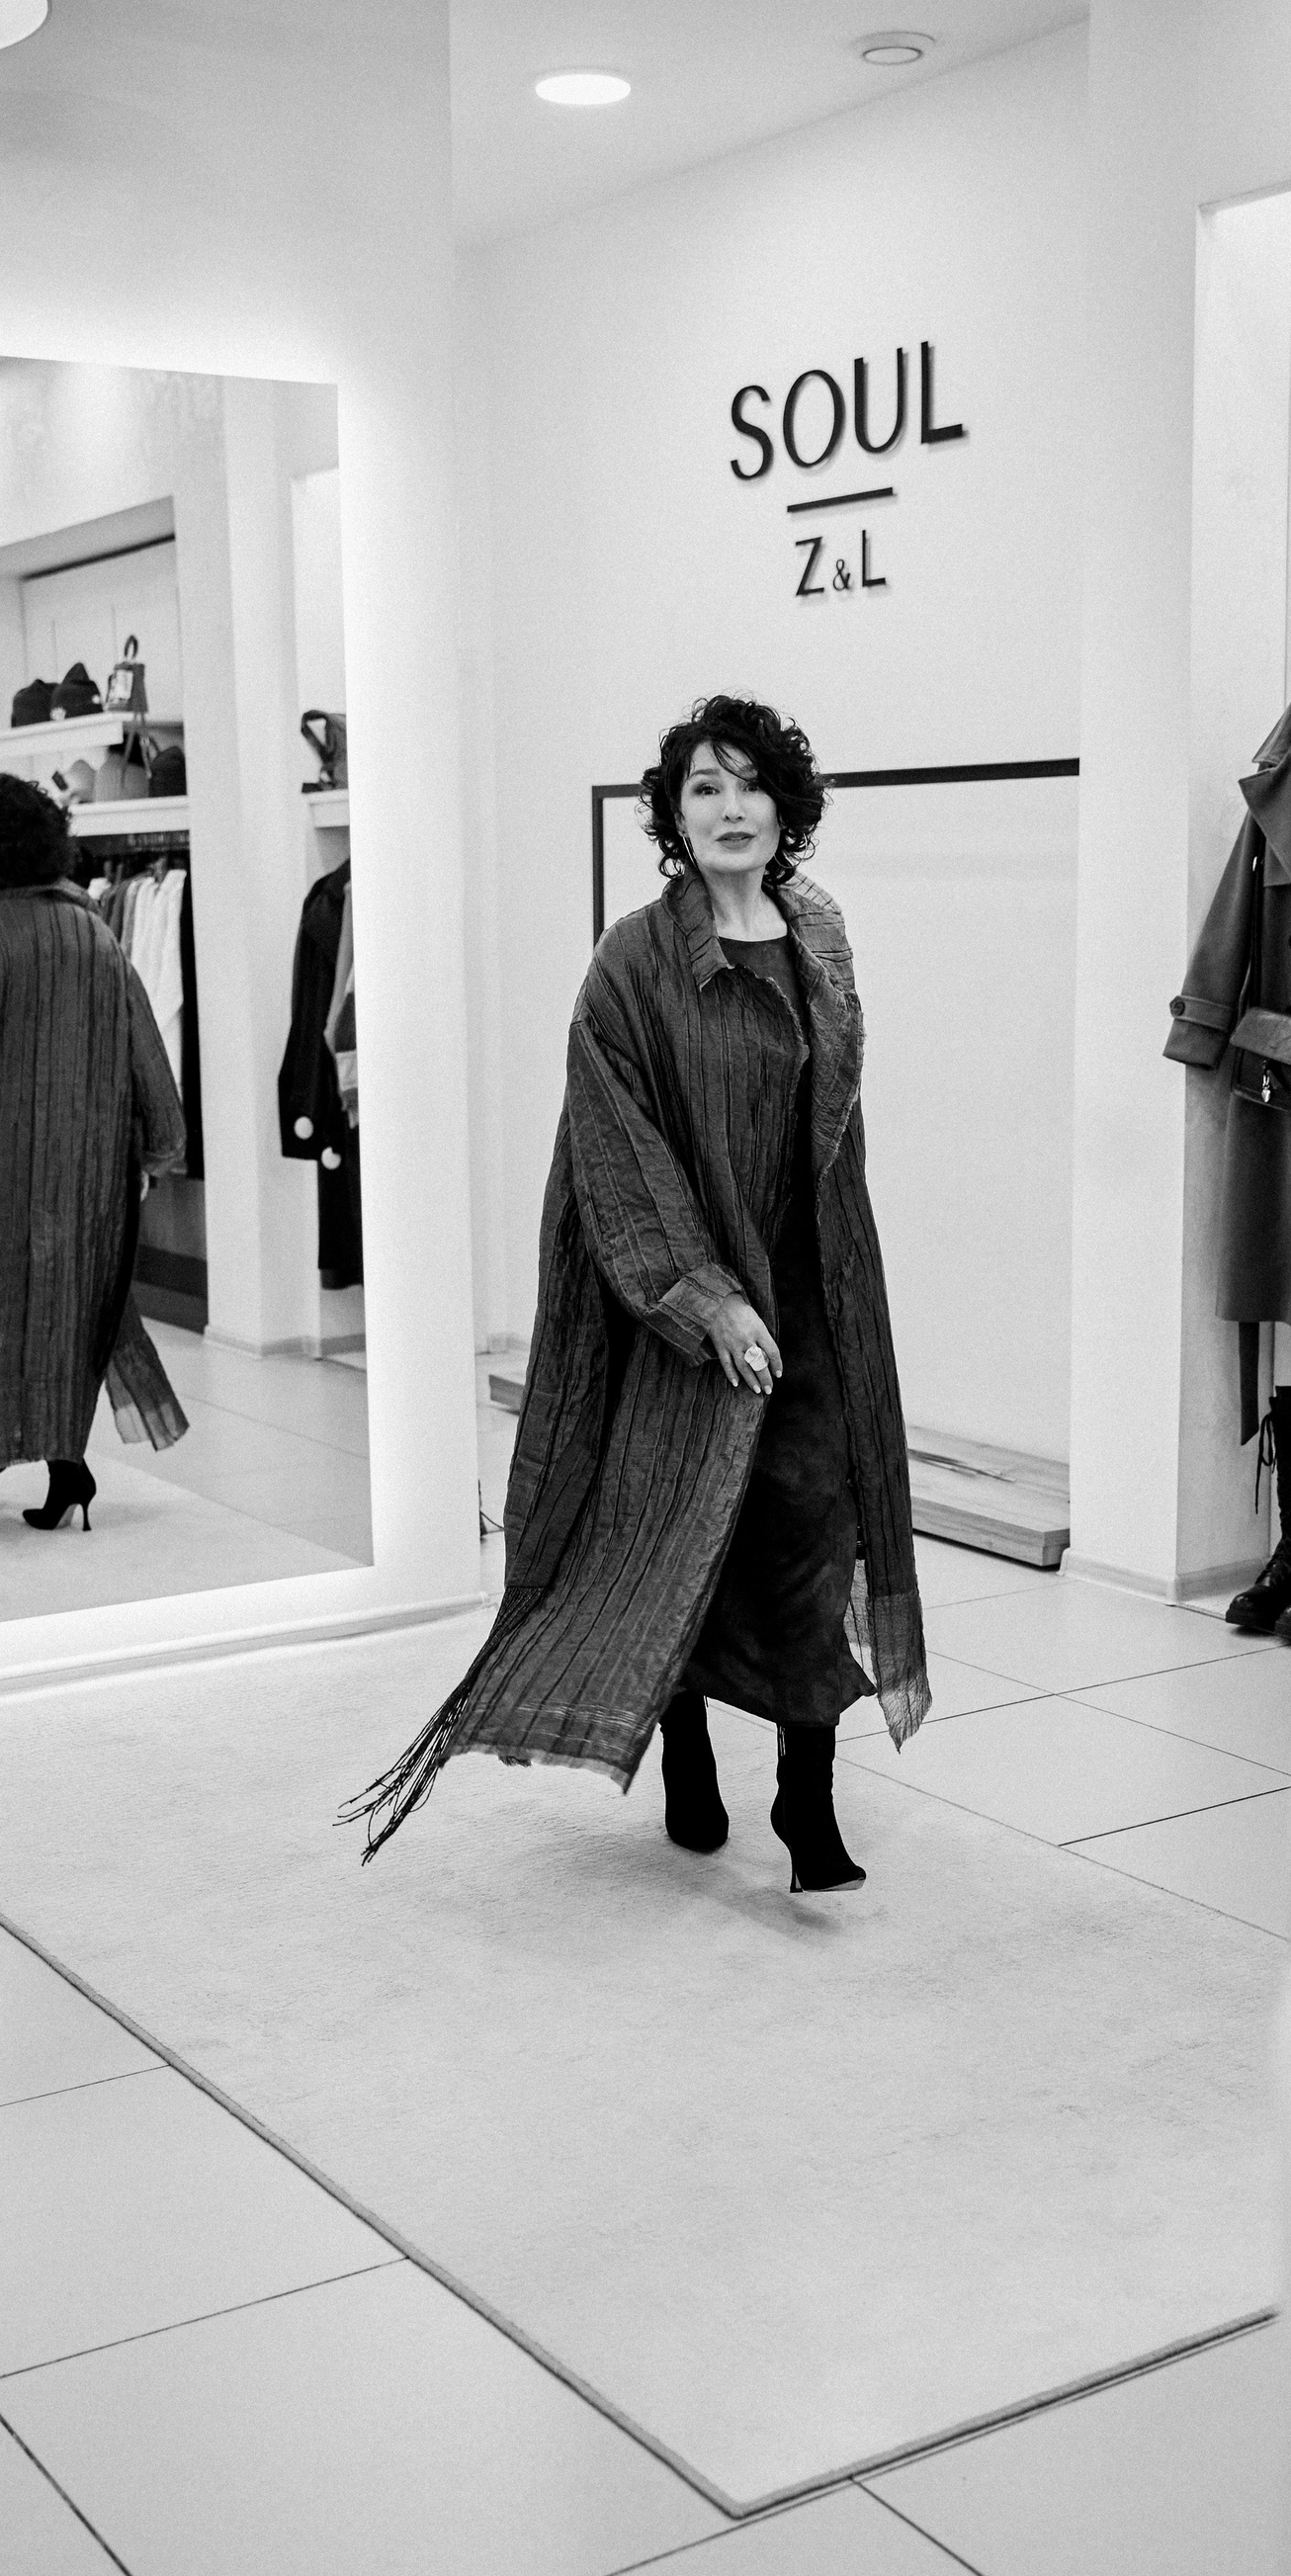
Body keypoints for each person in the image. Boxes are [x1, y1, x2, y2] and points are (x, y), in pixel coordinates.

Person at [350, 693, 929, 1889]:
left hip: (817, 1296)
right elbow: (611, 1145)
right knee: (679, 1530)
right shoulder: (633, 959)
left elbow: (833, 1128)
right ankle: (685, 1746)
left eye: (751, 784)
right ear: (674, 813)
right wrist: (703, 1297)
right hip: (673, 1306)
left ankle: (807, 1798)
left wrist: (809, 1286)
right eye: (705, 787)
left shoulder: (821, 937)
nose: (731, 808)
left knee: (814, 1529)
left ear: (787, 807)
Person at [0, 773, 187, 1530]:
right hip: (84, 1169)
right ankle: (65, 1469)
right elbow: (143, 1047)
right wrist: (158, 1149)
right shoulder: (93, 932)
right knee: (62, 1312)